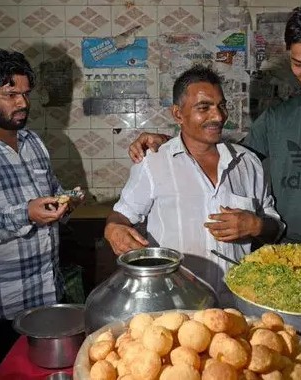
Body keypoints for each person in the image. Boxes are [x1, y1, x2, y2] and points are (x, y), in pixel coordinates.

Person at [127, 4, 301, 358]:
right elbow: (223, 157)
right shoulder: (277, 118)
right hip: (278, 263)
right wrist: (167, 141)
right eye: (297, 63)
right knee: (279, 357)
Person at [0, 49, 85, 378]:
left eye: (25, 94)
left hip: (48, 296)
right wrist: (26, 214)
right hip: (3, 310)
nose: (22, 103)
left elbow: (50, 195)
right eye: (10, 95)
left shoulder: (33, 143)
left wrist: (64, 205)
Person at [103, 65, 283, 305]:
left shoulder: (247, 163)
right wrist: (113, 229)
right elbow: (121, 216)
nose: (218, 116)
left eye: (221, 106)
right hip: (175, 307)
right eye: (204, 107)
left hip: (239, 306)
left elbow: (275, 229)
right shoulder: (154, 163)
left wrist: (256, 225)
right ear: (178, 114)